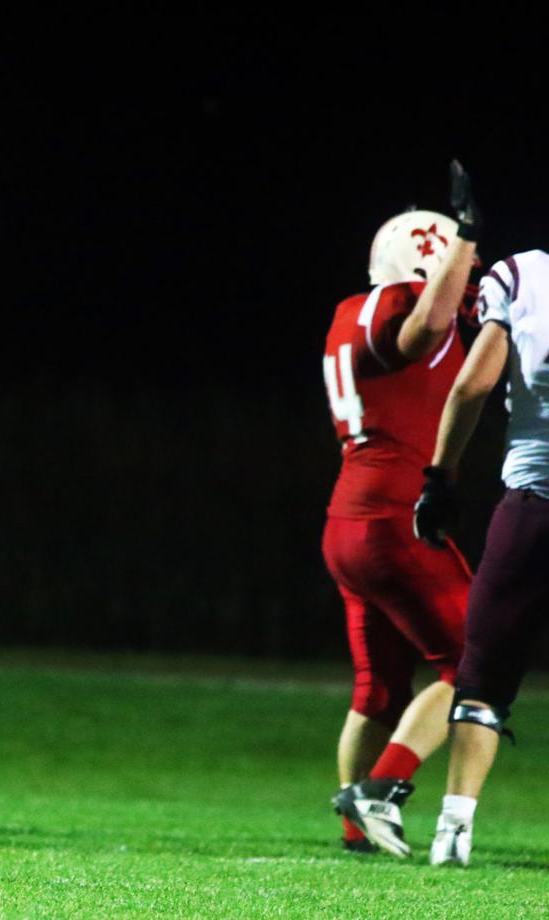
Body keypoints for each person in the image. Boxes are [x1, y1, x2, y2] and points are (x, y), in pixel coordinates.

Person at [322, 162, 480, 857]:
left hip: (348, 517)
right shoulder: (399, 307)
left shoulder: (345, 312)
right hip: (395, 514)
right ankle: (380, 789)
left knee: (377, 692)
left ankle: (358, 832)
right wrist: (468, 238)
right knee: (476, 668)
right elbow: (423, 326)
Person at [414, 248, 549, 867]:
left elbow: (474, 382)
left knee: (484, 677)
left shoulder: (525, 275)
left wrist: (440, 476)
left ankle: (453, 830)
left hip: (534, 502)